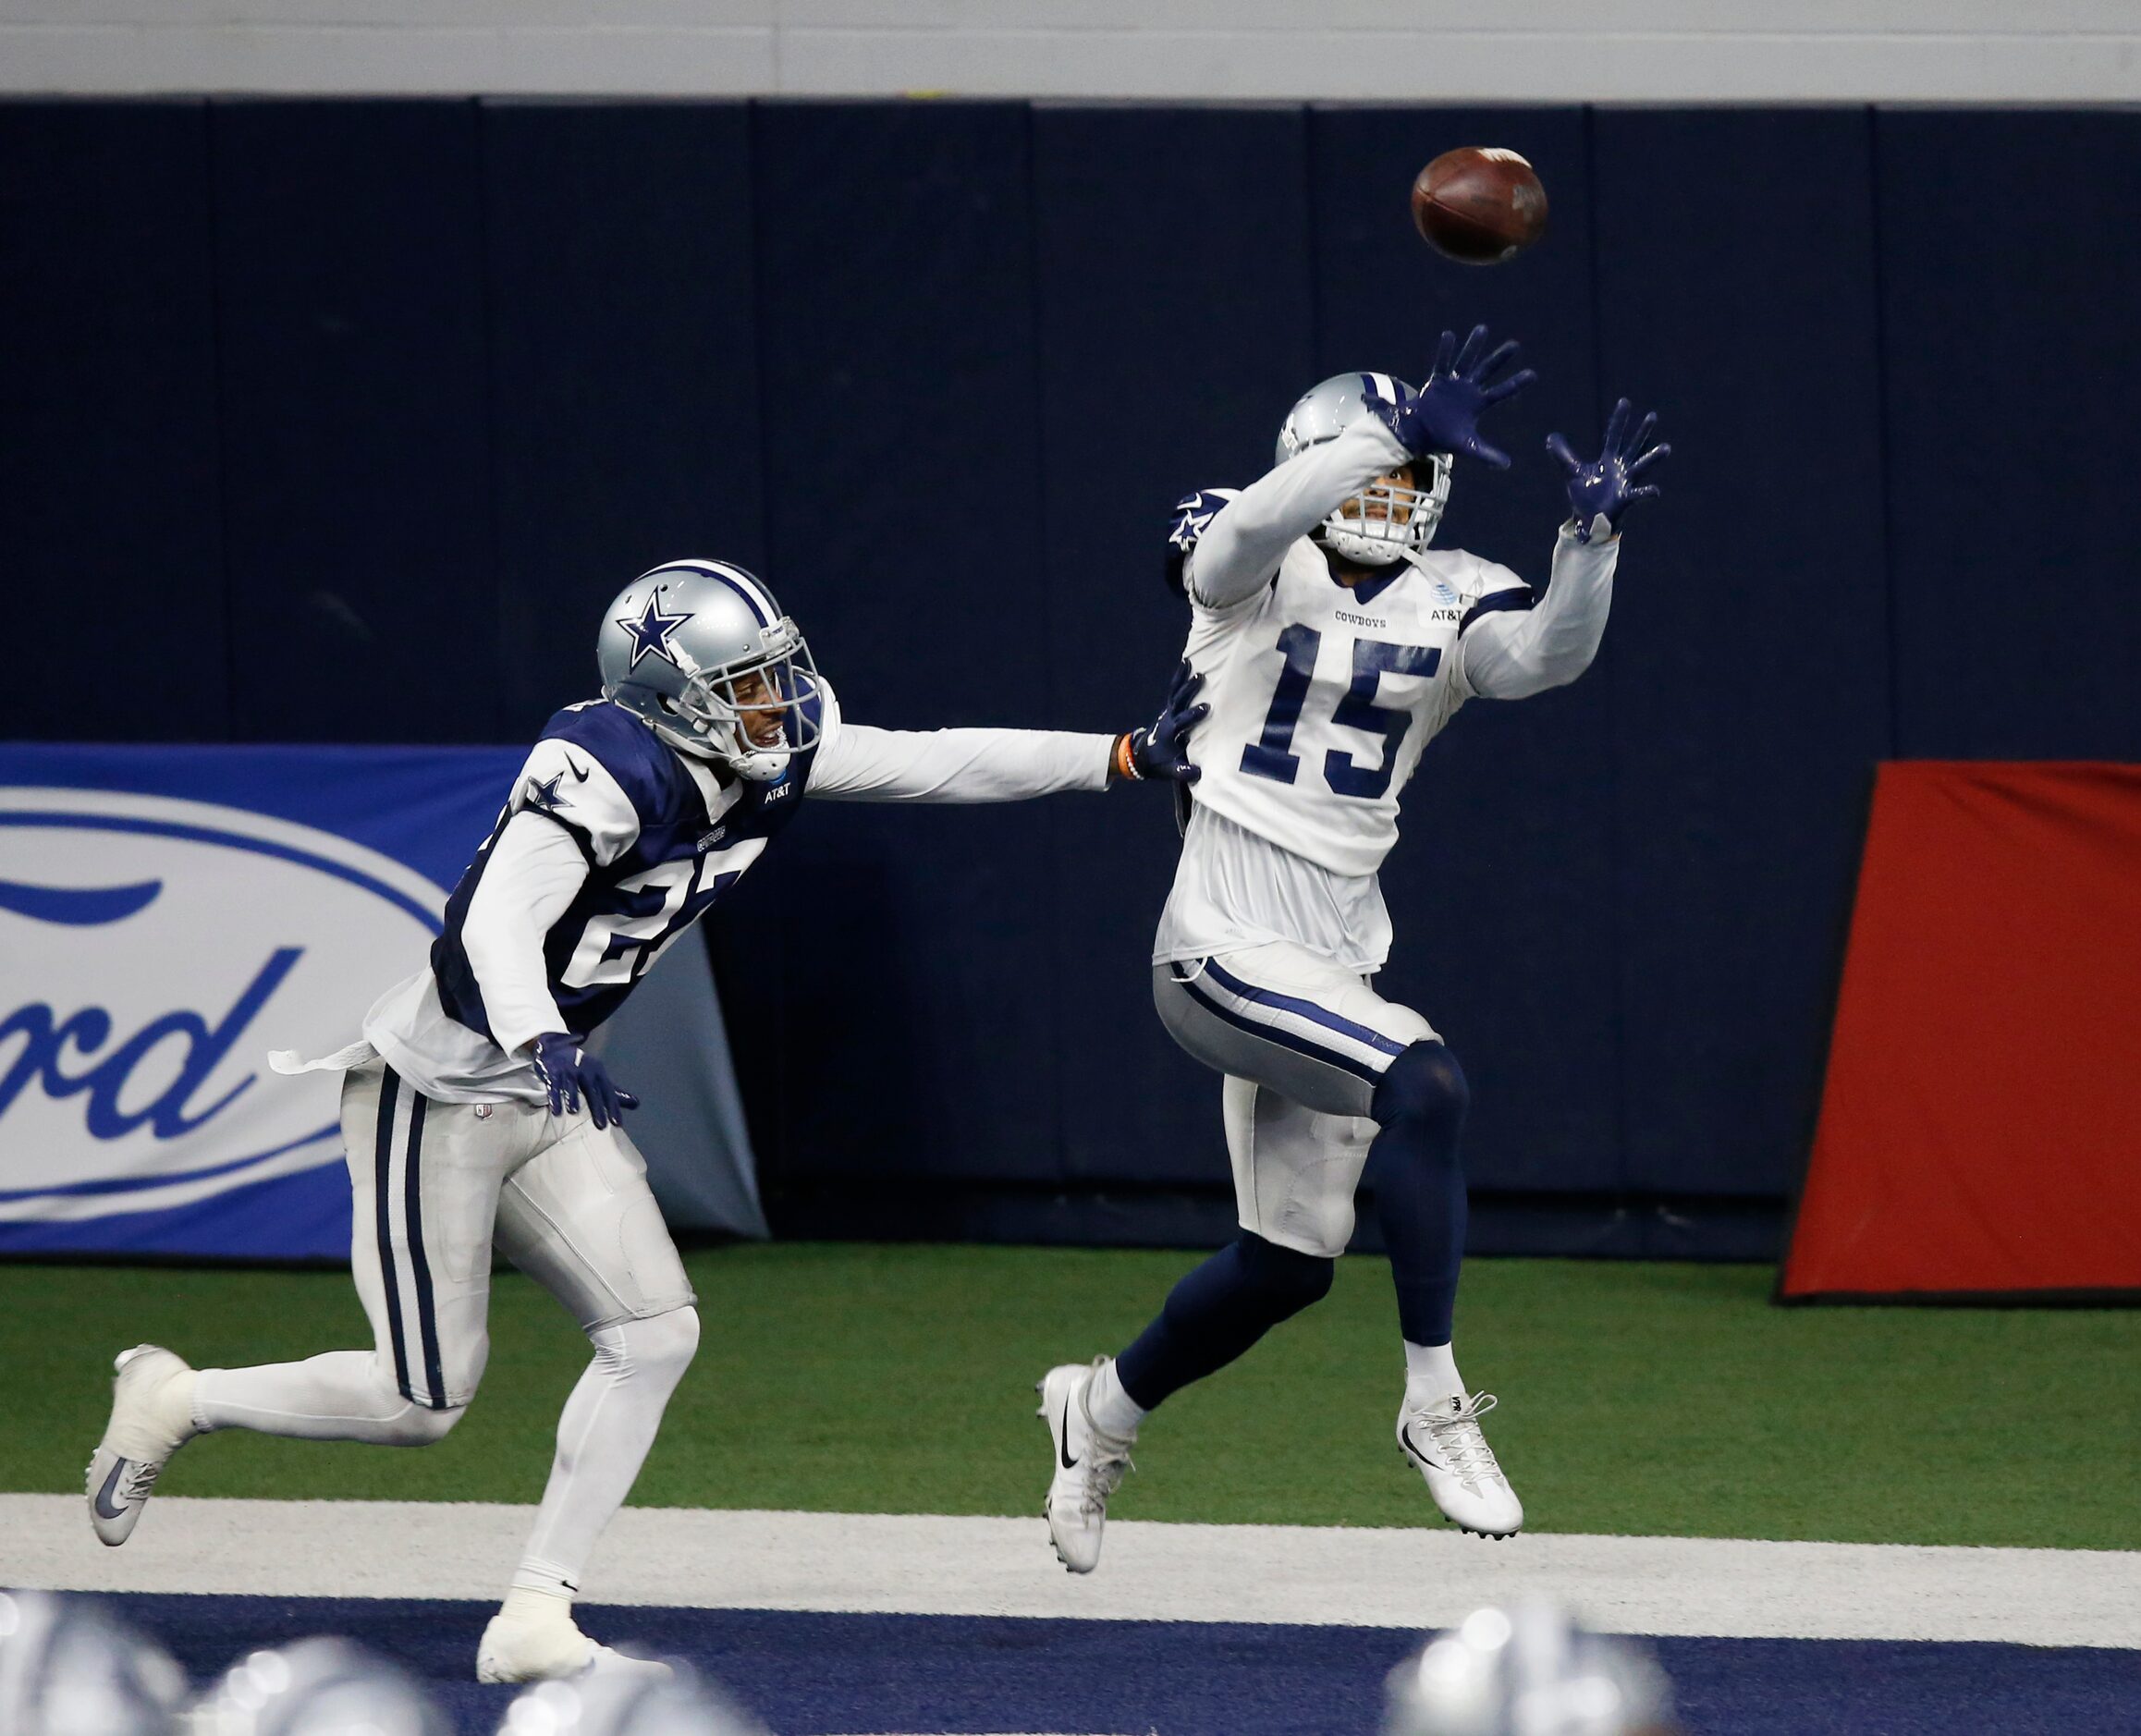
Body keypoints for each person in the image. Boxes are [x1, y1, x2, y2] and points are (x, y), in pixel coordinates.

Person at [85, 558, 1200, 1681]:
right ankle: (177, 1395)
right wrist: (540, 1036)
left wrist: (1115, 758)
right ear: (672, 695)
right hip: (440, 1090)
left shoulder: (770, 756)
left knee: (654, 1333)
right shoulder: (604, 769)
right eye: (749, 684)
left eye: (777, 673)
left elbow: (939, 758)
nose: (783, 702)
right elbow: (492, 930)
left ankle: (533, 1614)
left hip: (550, 1090)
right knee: (420, 1399)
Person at [1037, 328, 1668, 1571]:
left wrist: (1587, 546)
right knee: (1425, 1081)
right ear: (1321, 461)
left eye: (1408, 482)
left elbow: (1543, 657)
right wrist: (1390, 434)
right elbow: (1229, 546)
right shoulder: (1249, 549)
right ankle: (1433, 1394)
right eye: (1370, 472)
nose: (1387, 499)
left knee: (1287, 1266)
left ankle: (1099, 1408)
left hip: (1325, 970)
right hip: (1218, 946)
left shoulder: (1451, 587)